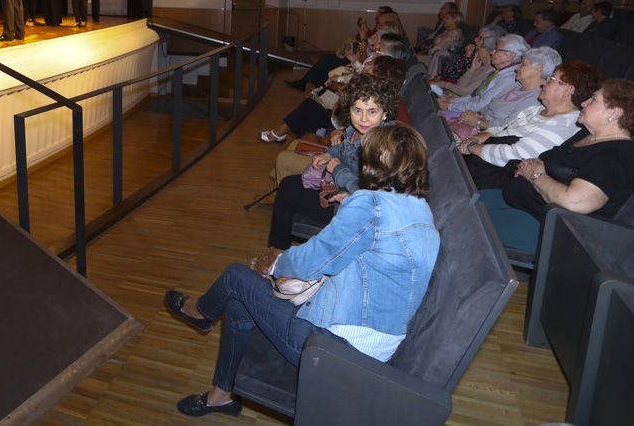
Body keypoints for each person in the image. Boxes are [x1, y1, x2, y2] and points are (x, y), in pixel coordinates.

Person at [164, 125, 439, 418]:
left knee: (235, 276)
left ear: (372, 166)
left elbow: (313, 260)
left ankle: (201, 312)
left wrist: (275, 264)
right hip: (373, 348)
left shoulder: (371, 207)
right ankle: (222, 395)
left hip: (334, 349)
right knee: (237, 303)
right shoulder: (422, 212)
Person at [480, 79, 634, 252]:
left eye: (593, 99)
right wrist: (532, 165)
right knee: (459, 202)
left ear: (614, 113)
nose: (584, 103)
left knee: (462, 220)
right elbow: (551, 162)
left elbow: (575, 202)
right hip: (517, 200)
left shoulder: (618, 155)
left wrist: (536, 175)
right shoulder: (586, 134)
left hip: (544, 227)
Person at [264, 73, 398, 250]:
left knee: (288, 190)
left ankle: (276, 254)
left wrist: (338, 169)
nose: (363, 118)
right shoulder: (356, 129)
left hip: (353, 211)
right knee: (289, 186)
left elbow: (368, 192)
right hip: (342, 191)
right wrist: (329, 155)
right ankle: (279, 253)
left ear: (385, 113)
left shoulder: (381, 146)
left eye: (372, 111)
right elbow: (343, 148)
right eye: (357, 110)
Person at [459, 61, 603, 189]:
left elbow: (515, 155)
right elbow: (501, 128)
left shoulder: (567, 124)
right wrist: (477, 139)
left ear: (569, 90)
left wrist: (472, 147)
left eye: (551, 79)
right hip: (481, 158)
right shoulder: (536, 110)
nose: (543, 83)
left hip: (492, 172)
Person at [448, 45, 560, 140]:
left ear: (538, 69)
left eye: (523, 64)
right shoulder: (516, 85)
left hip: (486, 137)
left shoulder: (536, 99)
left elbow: (507, 128)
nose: (516, 68)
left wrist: (478, 122)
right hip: (475, 123)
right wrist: (476, 114)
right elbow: (488, 104)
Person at [433, 25, 506, 91]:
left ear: (489, 43)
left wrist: (442, 84)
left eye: (480, 38)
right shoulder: (478, 60)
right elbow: (460, 84)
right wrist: (472, 69)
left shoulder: (492, 68)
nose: (475, 40)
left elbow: (465, 91)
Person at [415, 9, 464, 78]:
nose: (444, 19)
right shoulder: (448, 31)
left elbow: (439, 48)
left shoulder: (454, 34)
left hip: (438, 60)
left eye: (447, 18)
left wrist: (427, 51)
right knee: (414, 58)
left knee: (415, 60)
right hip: (433, 56)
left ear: (454, 20)